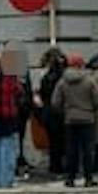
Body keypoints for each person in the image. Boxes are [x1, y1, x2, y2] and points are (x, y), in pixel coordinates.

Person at [52, 52, 98, 187]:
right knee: (88, 150)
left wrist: (65, 111)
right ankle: (88, 178)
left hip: (70, 120)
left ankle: (70, 178)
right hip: (87, 119)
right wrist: (91, 110)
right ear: (81, 65)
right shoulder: (89, 80)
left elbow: (55, 102)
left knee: (71, 150)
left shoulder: (63, 82)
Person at [0, 54, 25, 188]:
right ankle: (6, 180)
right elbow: (19, 93)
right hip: (8, 118)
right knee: (7, 151)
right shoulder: (11, 79)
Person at [36, 47, 67, 177]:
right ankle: (63, 166)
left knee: (53, 141)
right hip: (62, 111)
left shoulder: (45, 76)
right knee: (63, 141)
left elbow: (43, 94)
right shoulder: (64, 74)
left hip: (49, 112)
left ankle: (55, 166)